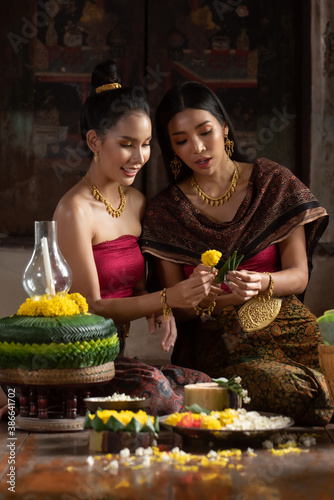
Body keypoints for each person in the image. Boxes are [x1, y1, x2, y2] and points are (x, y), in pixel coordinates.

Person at [141, 81, 334, 426]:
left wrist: (261, 282)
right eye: (181, 140)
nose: (198, 147)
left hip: (289, 327)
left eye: (205, 131)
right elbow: (182, 312)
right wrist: (196, 293)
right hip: (224, 344)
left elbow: (298, 274)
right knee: (296, 390)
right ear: (171, 149)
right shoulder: (165, 212)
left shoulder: (273, 183)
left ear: (224, 126)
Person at [53, 61, 215, 416]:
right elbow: (93, 307)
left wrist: (162, 304)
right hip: (80, 354)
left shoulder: (137, 202)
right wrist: (166, 298)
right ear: (94, 140)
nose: (139, 157)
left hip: (118, 353)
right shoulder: (73, 210)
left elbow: (138, 287)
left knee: (207, 386)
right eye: (126, 145)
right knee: (160, 394)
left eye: (145, 145)